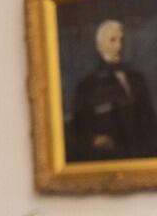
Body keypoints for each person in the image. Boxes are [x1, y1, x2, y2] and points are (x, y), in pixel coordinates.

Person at [66, 19, 157, 162]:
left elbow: (151, 123)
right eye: (112, 40)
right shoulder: (86, 87)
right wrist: (94, 140)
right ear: (99, 46)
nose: (119, 46)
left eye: (121, 40)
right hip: (107, 161)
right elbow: (78, 133)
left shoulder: (138, 80)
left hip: (142, 159)